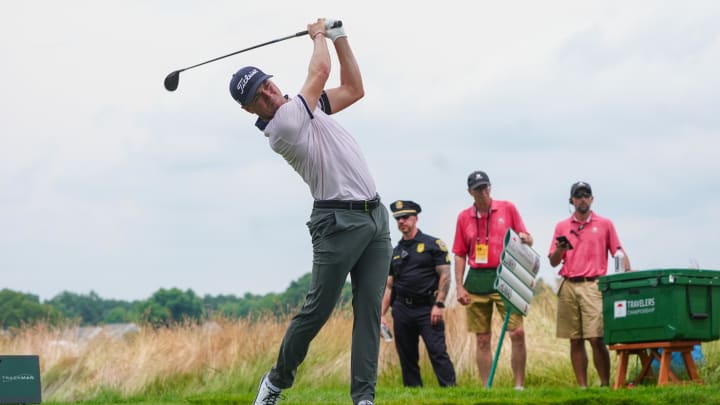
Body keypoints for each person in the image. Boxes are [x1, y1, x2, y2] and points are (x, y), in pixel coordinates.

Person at [229, 18, 392, 405]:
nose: (268, 94)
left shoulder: (308, 107)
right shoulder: (284, 124)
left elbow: (355, 89)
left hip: (375, 217)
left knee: (368, 311)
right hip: (337, 222)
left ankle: (364, 399)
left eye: (266, 84)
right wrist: (318, 35)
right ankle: (275, 382)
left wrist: (339, 38)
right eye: (257, 96)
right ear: (248, 108)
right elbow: (319, 70)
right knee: (317, 311)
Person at [452, 170, 533, 389]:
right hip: (477, 279)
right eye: (478, 188)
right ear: (470, 192)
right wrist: (459, 286)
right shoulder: (463, 217)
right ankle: (486, 387)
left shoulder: (508, 208)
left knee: (517, 332)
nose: (483, 191)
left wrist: (527, 238)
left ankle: (519, 386)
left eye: (486, 187)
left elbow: (527, 238)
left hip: (506, 276)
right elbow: (459, 252)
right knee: (482, 338)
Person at [548, 181, 631, 388]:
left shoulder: (605, 224)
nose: (582, 199)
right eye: (578, 195)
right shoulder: (562, 226)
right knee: (575, 340)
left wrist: (628, 276)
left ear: (592, 199)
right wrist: (560, 249)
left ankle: (604, 384)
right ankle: (582, 387)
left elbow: (618, 252)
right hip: (568, 284)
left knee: (596, 337)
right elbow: (553, 260)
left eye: (586, 195)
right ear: (572, 200)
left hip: (594, 284)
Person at [380, 200, 457, 387]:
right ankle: (414, 392)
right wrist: (381, 314)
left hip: (427, 308)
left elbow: (445, 275)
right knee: (407, 356)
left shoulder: (433, 245)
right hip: (402, 309)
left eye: (405, 217)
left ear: (415, 218)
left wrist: (439, 305)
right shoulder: (395, 252)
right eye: (398, 218)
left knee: (437, 351)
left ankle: (450, 390)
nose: (401, 221)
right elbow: (389, 286)